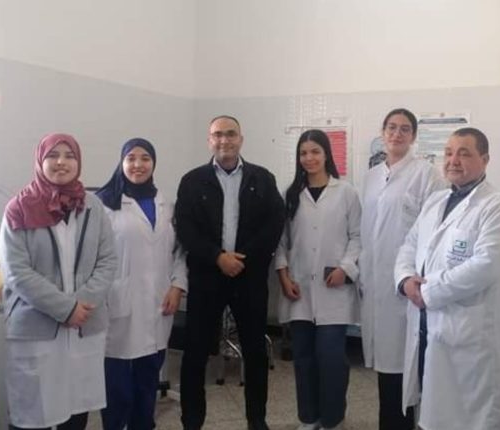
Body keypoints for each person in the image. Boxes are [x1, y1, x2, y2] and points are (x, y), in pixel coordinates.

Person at [394, 127, 500, 430]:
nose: (453, 160)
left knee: (469, 417)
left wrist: (428, 292)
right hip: (428, 324)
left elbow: (486, 264)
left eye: (464, 153)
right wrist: (406, 279)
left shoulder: (498, 206)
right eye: (449, 153)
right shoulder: (436, 201)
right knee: (432, 410)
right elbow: (410, 245)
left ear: (485, 159)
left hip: (468, 334)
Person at [0, 133, 117, 430]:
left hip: (84, 324)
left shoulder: (93, 206)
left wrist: (82, 304)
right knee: (33, 414)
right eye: (53, 155)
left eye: (69, 155)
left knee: (76, 409)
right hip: (36, 326)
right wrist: (65, 309)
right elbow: (16, 271)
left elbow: (107, 260)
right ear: (40, 160)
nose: (61, 162)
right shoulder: (19, 208)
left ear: (79, 162)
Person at [174, 115, 285, 430]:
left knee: (255, 352)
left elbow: (274, 224)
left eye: (231, 134)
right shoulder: (192, 181)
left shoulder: (262, 178)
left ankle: (257, 420)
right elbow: (186, 228)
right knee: (195, 352)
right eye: (218, 134)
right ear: (209, 140)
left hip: (249, 278)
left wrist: (241, 259)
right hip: (207, 277)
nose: (225, 140)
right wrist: (217, 257)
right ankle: (192, 421)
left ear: (241, 139)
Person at [359, 108, 445, 430]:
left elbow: (433, 232)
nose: (397, 134)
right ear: (382, 132)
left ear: (413, 136)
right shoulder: (371, 177)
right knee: (386, 372)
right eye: (392, 128)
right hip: (375, 284)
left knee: (404, 371)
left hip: (405, 285)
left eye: (405, 129)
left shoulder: (426, 174)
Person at [96, 138, 188, 430]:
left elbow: (180, 251)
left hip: (159, 302)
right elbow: (91, 257)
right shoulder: (103, 205)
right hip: (117, 304)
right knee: (117, 386)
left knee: (148, 380)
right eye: (131, 158)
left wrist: (177, 286)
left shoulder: (165, 203)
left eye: (145, 158)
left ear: (154, 163)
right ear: (121, 162)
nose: (138, 164)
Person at [275, 130, 362, 430]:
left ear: (326, 154)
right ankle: (308, 417)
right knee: (303, 358)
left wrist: (345, 268)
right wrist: (283, 276)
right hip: (299, 289)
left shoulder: (346, 192)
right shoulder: (290, 195)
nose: (309, 158)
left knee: (331, 358)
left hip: (333, 289)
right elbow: (281, 242)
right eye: (303, 153)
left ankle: (333, 419)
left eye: (315, 152)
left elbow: (357, 236)